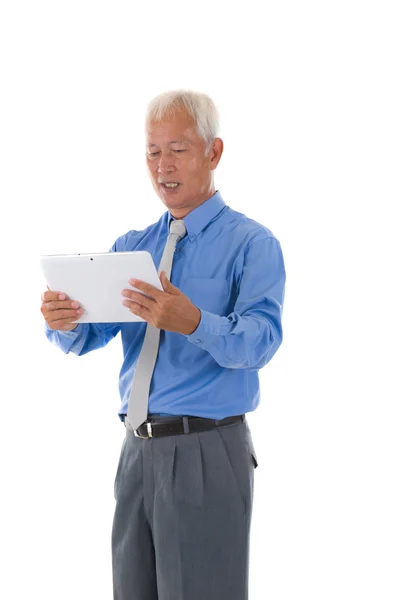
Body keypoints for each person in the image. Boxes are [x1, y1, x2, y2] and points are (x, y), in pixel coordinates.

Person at [41, 89, 286, 600]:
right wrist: (64, 321)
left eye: (178, 149)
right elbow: (88, 335)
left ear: (213, 153)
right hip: (136, 452)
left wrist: (193, 321)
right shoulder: (133, 246)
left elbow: (261, 342)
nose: (163, 165)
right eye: (153, 152)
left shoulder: (252, 244)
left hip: (207, 452)